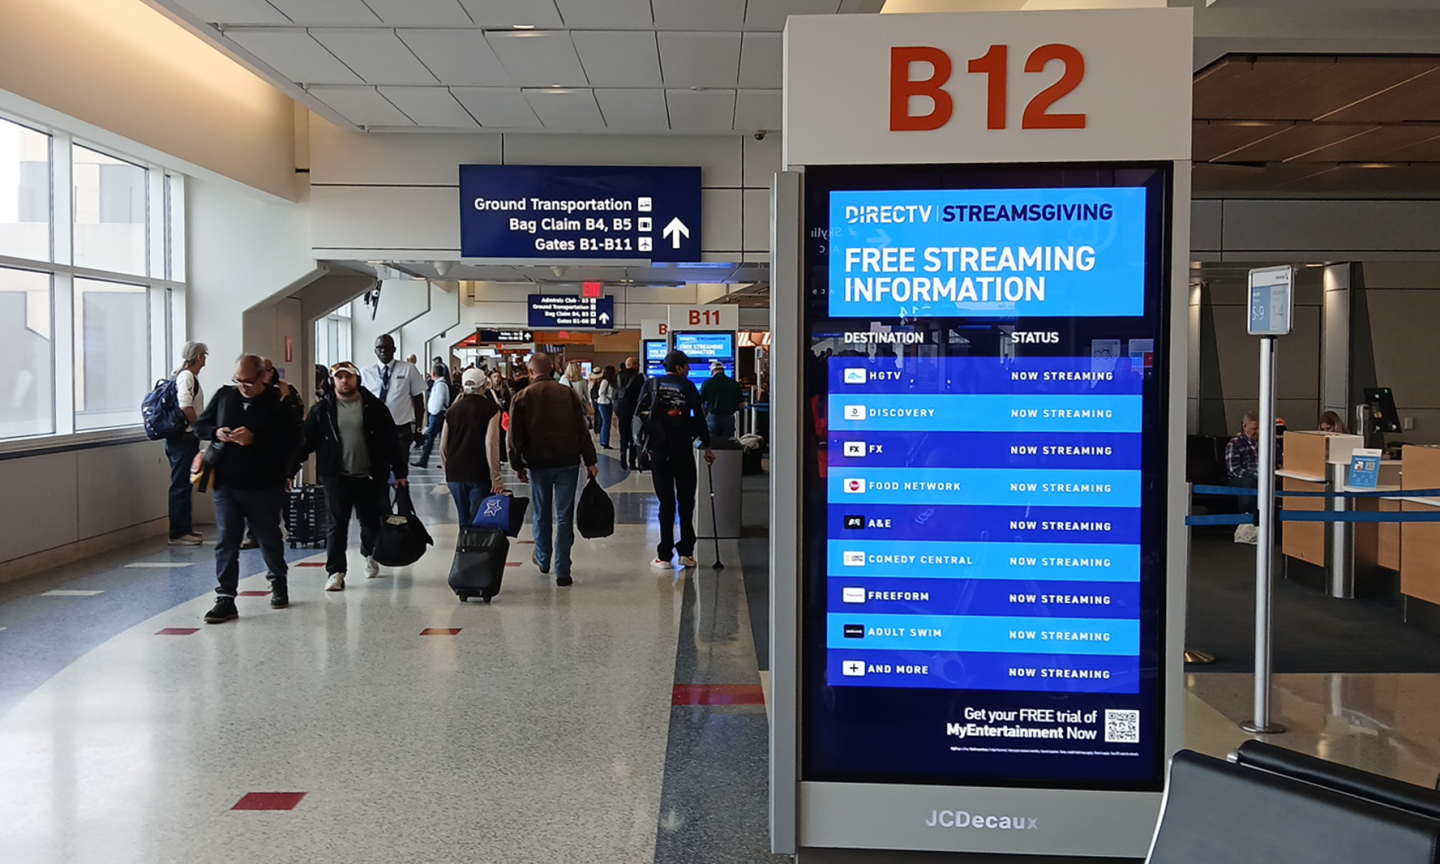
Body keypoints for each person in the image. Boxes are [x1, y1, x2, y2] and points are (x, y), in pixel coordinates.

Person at [194, 354, 303, 623]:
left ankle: (278, 580)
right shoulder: (224, 396)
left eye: (249, 382)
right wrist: (216, 432)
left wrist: (255, 439)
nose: (244, 387)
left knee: (268, 537)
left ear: (263, 376)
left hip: (264, 484)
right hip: (226, 484)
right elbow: (201, 426)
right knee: (227, 541)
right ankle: (225, 597)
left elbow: (291, 443)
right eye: (238, 381)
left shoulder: (276, 405)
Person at [296, 361, 407, 591]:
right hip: (336, 477)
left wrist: (400, 472)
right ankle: (336, 571)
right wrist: (289, 470)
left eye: (348, 377)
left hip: (370, 476)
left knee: (370, 522)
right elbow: (305, 443)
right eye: (339, 377)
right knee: (336, 525)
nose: (344, 381)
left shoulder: (375, 408)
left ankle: (370, 553)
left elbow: (391, 442)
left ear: (357, 379)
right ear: (333, 381)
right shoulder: (322, 411)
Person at [508, 353, 598, 587]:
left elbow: (514, 437)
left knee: (542, 513)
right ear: (553, 370)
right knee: (564, 515)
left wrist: (518, 464)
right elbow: (582, 429)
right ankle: (563, 569)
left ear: (530, 372)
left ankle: (544, 558)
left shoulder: (522, 396)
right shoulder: (567, 393)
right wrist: (590, 460)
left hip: (539, 463)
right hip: (568, 461)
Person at [637, 350, 715, 571]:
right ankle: (686, 554)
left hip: (658, 452)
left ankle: (663, 555)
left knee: (665, 503)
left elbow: (640, 415)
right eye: (687, 366)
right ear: (679, 367)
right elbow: (700, 417)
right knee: (686, 502)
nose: (689, 370)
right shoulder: (687, 386)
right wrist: (706, 446)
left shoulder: (651, 385)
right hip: (682, 450)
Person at [240, 357, 305, 550]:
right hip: (254, 456)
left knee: (282, 492)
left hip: (280, 454)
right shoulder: (247, 395)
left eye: (268, 371)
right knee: (253, 498)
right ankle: (253, 534)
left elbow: (295, 423)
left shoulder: (285, 391)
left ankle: (289, 528)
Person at [441, 368, 505, 525]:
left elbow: (443, 446)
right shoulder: (491, 409)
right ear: (484, 385)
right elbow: (491, 444)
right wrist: (496, 477)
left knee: (463, 520)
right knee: (478, 520)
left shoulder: (452, 410)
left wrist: (447, 472)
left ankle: (462, 548)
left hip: (455, 474)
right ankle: (476, 549)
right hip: (479, 472)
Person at [166, 341, 207, 546]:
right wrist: (197, 425)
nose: (205, 361)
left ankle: (185, 527)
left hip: (185, 439)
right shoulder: (186, 376)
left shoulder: (186, 376)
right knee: (180, 484)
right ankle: (178, 532)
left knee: (185, 483)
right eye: (204, 356)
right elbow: (185, 405)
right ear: (198, 357)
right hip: (182, 439)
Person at [361, 334, 426, 460]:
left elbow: (419, 400)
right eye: (379, 348)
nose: (383, 350)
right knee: (377, 466)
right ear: (375, 351)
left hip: (400, 429)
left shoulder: (408, 369)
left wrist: (418, 429)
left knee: (399, 467)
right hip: (374, 428)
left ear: (394, 349)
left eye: (387, 347)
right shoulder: (365, 373)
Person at [1227, 411, 1261, 545]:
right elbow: (1234, 469)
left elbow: (1279, 461)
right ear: (1244, 426)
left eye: (1259, 428)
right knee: (1248, 483)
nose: (1257, 432)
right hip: (1240, 479)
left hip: (1262, 478)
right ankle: (1248, 522)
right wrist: (1257, 476)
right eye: (1254, 429)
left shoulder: (1267, 442)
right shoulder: (1234, 443)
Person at [412, 364, 449, 468]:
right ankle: (444, 461)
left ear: (433, 373)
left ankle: (424, 459)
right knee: (443, 439)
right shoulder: (440, 384)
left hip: (437, 415)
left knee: (430, 437)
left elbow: (439, 401)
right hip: (438, 415)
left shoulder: (440, 385)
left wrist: (433, 411)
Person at [699, 359, 745, 440]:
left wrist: (705, 415)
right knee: (727, 445)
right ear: (723, 370)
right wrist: (733, 409)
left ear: (712, 371)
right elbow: (741, 404)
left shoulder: (707, 384)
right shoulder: (734, 384)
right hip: (728, 418)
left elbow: (701, 403)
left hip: (713, 417)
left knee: (712, 443)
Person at [614, 356, 644, 470]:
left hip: (620, 409)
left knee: (623, 435)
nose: (639, 366)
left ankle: (622, 457)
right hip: (634, 410)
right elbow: (641, 395)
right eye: (637, 363)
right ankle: (632, 461)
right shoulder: (638, 377)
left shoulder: (618, 376)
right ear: (632, 365)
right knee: (634, 436)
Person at [562, 361, 592, 426]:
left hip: (566, 406)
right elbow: (587, 396)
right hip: (578, 407)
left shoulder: (563, 380)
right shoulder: (582, 381)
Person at [595, 365, 617, 449]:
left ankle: (604, 441)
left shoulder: (609, 381)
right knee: (606, 422)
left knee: (607, 422)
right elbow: (601, 392)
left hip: (607, 403)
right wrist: (609, 397)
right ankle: (604, 441)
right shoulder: (605, 381)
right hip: (604, 403)